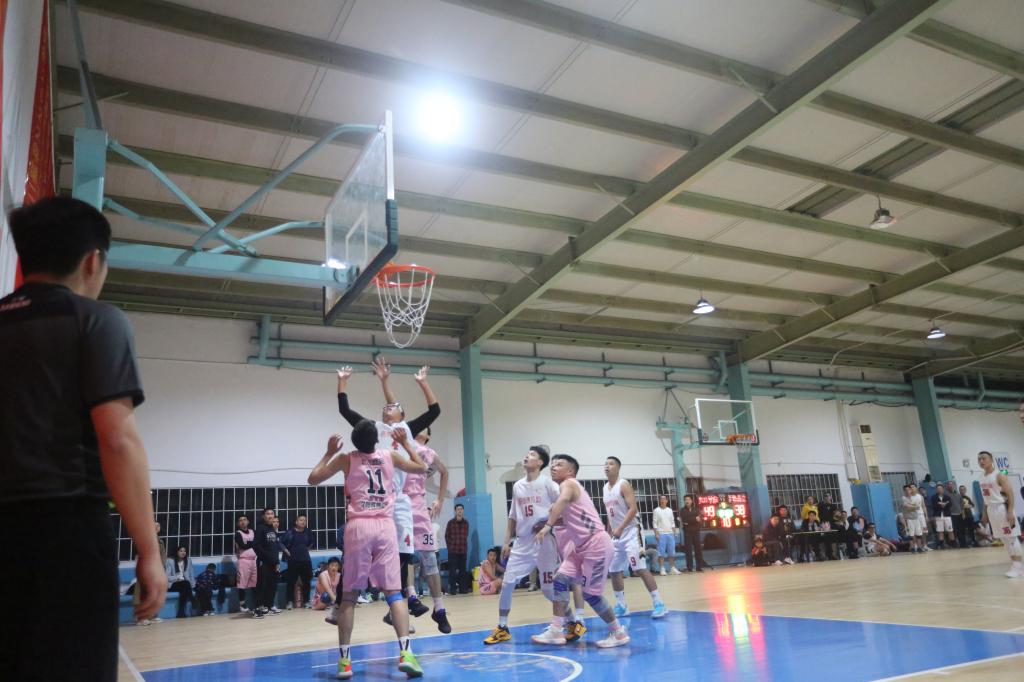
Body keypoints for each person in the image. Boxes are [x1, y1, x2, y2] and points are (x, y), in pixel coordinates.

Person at [0, 197, 165, 681]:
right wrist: (149, 550)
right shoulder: (96, 320)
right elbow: (118, 440)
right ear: (93, 261)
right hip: (66, 534)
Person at [307, 422, 427, 678]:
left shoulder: (346, 459)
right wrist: (405, 443)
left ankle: (345, 662)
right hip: (385, 527)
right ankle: (406, 653)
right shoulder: (390, 455)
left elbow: (313, 478)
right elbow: (421, 467)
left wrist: (329, 452)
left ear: (354, 441)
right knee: (394, 593)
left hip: (358, 527)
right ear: (376, 440)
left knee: (349, 596)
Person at [338, 360, 440, 625]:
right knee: (358, 551)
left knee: (404, 553)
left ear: (402, 414)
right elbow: (345, 410)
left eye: (393, 406)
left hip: (397, 498)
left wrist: (422, 383)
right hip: (372, 503)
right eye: (386, 406)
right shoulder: (372, 428)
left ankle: (402, 600)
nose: (388, 407)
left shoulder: (406, 430)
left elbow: (435, 410)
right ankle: (343, 602)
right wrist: (344, 382)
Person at [532, 454, 629, 649]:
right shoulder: (569, 490)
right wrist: (546, 523)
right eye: (552, 464)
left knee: (590, 595)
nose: (553, 467)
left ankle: (618, 632)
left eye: (559, 465)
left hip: (596, 545)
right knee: (559, 580)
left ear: (570, 471)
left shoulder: (569, 484)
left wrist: (547, 525)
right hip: (580, 548)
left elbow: (561, 503)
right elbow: (567, 519)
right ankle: (556, 630)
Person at [484, 445, 562, 645]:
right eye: (527, 453)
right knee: (507, 583)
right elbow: (513, 516)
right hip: (522, 543)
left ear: (540, 462)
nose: (527, 456)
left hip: (544, 542)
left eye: (532, 454)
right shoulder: (518, 486)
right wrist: (506, 542)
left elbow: (563, 509)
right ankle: (502, 627)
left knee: (548, 590)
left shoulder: (549, 484)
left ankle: (569, 620)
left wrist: (549, 524)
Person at [401, 426, 451, 633]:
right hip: (401, 506)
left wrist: (440, 499)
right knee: (405, 555)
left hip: (420, 508)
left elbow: (445, 472)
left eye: (425, 427)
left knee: (430, 558)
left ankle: (439, 609)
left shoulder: (430, 454)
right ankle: (412, 597)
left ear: (428, 435)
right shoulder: (401, 446)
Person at [603, 456, 666, 619]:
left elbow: (633, 509)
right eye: (606, 464)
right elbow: (610, 514)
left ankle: (659, 603)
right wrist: (608, 532)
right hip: (616, 535)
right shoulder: (604, 488)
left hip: (632, 532)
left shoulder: (623, 484)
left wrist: (620, 528)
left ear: (618, 468)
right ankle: (622, 605)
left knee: (639, 568)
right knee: (614, 569)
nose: (607, 466)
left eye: (611, 464)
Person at [977, 450, 1022, 578]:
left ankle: (1018, 566)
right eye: (979, 459)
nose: (981, 461)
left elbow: (1010, 493)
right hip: (991, 509)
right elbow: (985, 497)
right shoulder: (981, 477)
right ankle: (1015, 565)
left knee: (1011, 537)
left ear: (991, 460)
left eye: (984, 458)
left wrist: (1010, 511)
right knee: (1003, 538)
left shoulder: (1000, 475)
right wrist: (984, 513)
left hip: (1003, 508)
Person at [253, 507, 282, 618]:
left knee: (272, 586)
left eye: (272, 514)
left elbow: (274, 548)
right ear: (263, 516)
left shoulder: (272, 530)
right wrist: (267, 556)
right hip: (264, 562)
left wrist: (277, 562)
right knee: (262, 586)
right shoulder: (261, 528)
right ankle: (257, 610)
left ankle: (268, 607)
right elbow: (256, 545)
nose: (270, 516)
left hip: (273, 563)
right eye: (268, 514)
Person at [283, 514, 315, 609]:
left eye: (305, 520)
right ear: (296, 522)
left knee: (306, 581)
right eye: (301, 520)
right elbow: (280, 542)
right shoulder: (290, 532)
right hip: (293, 560)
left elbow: (312, 542)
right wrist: (286, 550)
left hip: (306, 560)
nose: (303, 522)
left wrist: (306, 549)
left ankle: (306, 601)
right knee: (291, 582)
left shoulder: (308, 532)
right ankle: (289, 602)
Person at [652, 495, 681, 575]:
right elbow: (654, 523)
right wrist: (656, 533)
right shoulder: (656, 510)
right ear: (659, 501)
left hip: (670, 534)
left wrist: (674, 532)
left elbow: (672, 522)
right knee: (661, 553)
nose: (662, 500)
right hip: (661, 534)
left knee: (671, 552)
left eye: (664, 499)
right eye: (661, 499)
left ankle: (672, 568)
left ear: (667, 501)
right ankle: (662, 568)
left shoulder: (670, 510)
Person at [167, 546, 198, 618]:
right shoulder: (170, 561)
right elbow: (167, 577)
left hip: (185, 585)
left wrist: (193, 586)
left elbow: (191, 574)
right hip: (173, 584)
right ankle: (192, 600)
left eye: (184, 551)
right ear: (177, 552)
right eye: (181, 551)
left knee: (185, 588)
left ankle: (181, 612)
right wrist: (177, 578)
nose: (183, 553)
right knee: (186, 583)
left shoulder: (188, 561)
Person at [235, 515, 258, 613]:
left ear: (248, 521)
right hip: (243, 561)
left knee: (254, 583)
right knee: (242, 584)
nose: (243, 522)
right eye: (240, 520)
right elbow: (242, 545)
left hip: (254, 560)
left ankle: (256, 605)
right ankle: (242, 604)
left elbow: (257, 543)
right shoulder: (238, 533)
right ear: (238, 523)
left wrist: (250, 543)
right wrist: (253, 543)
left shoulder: (253, 531)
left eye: (244, 520)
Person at [445, 504, 470, 594]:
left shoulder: (466, 523)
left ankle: (463, 589)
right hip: (453, 551)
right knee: (452, 571)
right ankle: (453, 589)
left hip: (463, 550)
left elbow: (466, 535)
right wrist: (450, 547)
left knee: (463, 571)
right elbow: (447, 536)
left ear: (463, 511)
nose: (460, 511)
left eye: (461, 509)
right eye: (458, 509)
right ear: (455, 511)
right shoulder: (450, 523)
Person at [679, 494, 705, 572]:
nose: (687, 501)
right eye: (685, 500)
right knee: (688, 550)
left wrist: (691, 520)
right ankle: (689, 568)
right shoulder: (682, 510)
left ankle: (699, 567)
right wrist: (694, 519)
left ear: (691, 501)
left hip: (696, 531)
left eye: (688, 499)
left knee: (698, 549)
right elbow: (685, 520)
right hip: (687, 532)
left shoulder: (696, 509)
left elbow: (699, 519)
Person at [315, 557, 342, 623]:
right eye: (332, 565)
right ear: (328, 566)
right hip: (321, 599)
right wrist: (338, 602)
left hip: (334, 599)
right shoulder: (323, 575)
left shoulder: (340, 575)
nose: (334, 568)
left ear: (339, 567)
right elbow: (328, 589)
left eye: (336, 565)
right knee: (326, 596)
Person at [901, 485, 926, 553]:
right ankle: (912, 548)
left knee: (918, 533)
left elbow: (916, 506)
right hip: (909, 518)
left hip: (916, 517)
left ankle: (919, 547)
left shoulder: (914, 497)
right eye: (906, 490)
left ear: (910, 490)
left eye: (909, 490)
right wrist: (914, 507)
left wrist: (912, 506)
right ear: (904, 491)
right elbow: (908, 507)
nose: (907, 491)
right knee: (911, 534)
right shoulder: (903, 498)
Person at [930, 484, 956, 549]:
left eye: (940, 488)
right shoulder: (933, 497)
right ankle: (941, 544)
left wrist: (944, 505)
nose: (939, 490)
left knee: (950, 530)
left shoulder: (947, 497)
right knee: (940, 530)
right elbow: (934, 505)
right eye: (938, 489)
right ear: (936, 490)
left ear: (943, 489)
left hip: (947, 515)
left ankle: (953, 543)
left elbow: (950, 504)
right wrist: (941, 505)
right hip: (938, 515)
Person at [946, 481, 966, 549]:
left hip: (959, 514)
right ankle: (954, 545)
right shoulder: (946, 495)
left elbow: (962, 505)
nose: (950, 486)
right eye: (949, 485)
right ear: (947, 486)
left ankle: (963, 544)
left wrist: (963, 513)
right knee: (954, 530)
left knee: (961, 530)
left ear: (954, 486)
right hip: (952, 515)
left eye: (951, 484)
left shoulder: (958, 494)